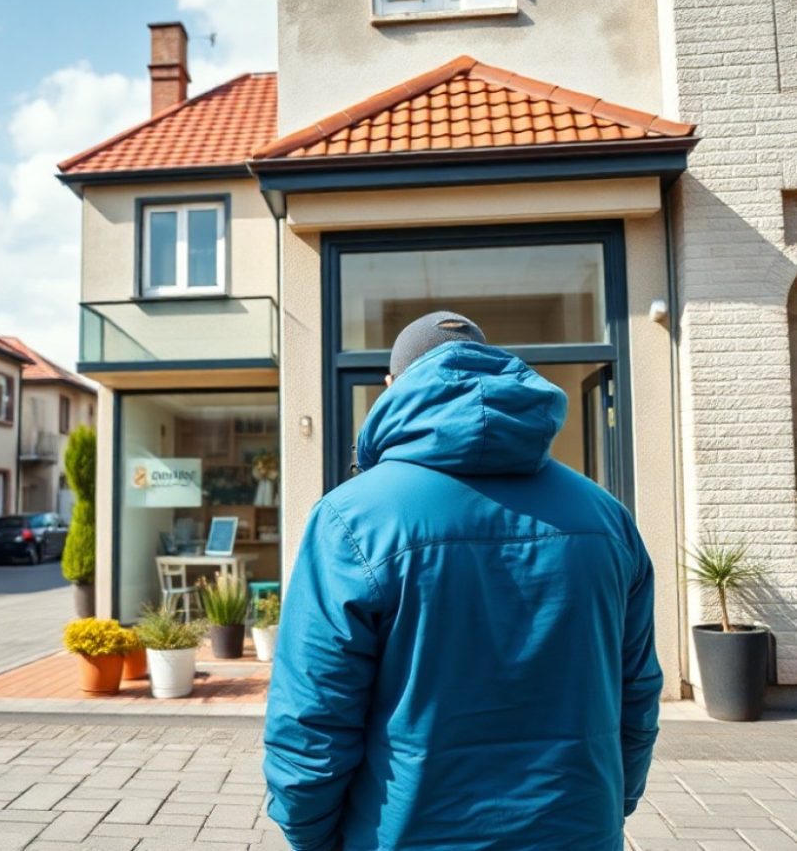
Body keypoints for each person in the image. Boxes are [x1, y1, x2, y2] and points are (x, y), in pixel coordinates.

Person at [264, 311, 662, 851]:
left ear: (391, 385)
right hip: (577, 829)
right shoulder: (606, 517)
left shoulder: (352, 518)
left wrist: (310, 836)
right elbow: (637, 691)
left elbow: (312, 715)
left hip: (405, 833)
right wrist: (612, 804)